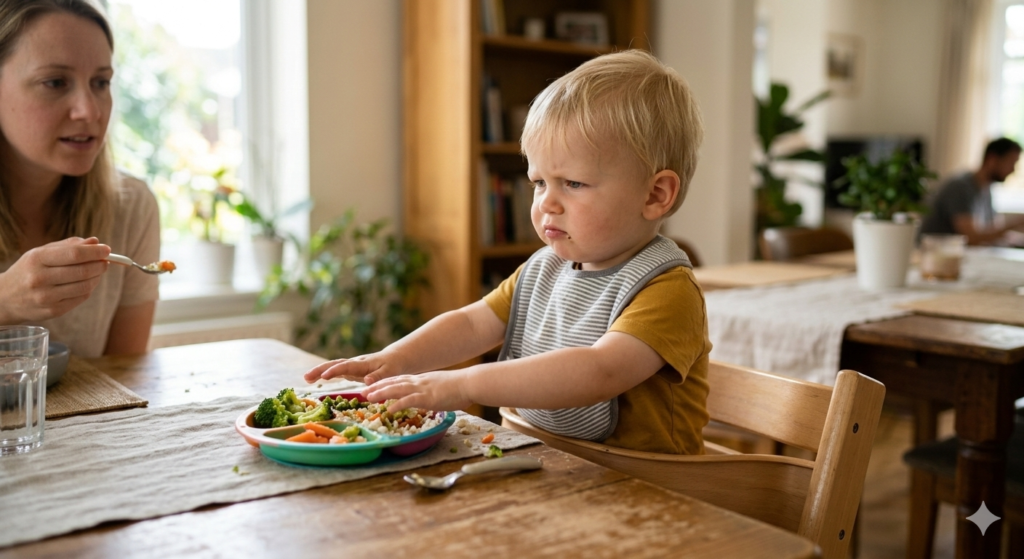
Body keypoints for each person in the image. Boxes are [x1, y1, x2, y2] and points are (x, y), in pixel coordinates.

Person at [304, 50, 710, 455]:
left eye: (573, 183)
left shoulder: (667, 291)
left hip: (649, 489)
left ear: (656, 194)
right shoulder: (544, 269)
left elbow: (600, 370)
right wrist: (394, 359)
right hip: (547, 461)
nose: (546, 203)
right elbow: (471, 324)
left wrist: (462, 383)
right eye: (538, 182)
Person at [0, 0, 159, 358]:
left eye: (101, 82)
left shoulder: (131, 206)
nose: (90, 110)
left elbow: (121, 379)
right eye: (55, 82)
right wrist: (4, 301)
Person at [919, 137, 1024, 245]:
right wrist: (1014, 224)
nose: (1013, 170)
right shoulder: (960, 187)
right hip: (937, 256)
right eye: (1011, 163)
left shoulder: (986, 191)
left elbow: (991, 232)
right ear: (992, 159)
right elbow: (971, 238)